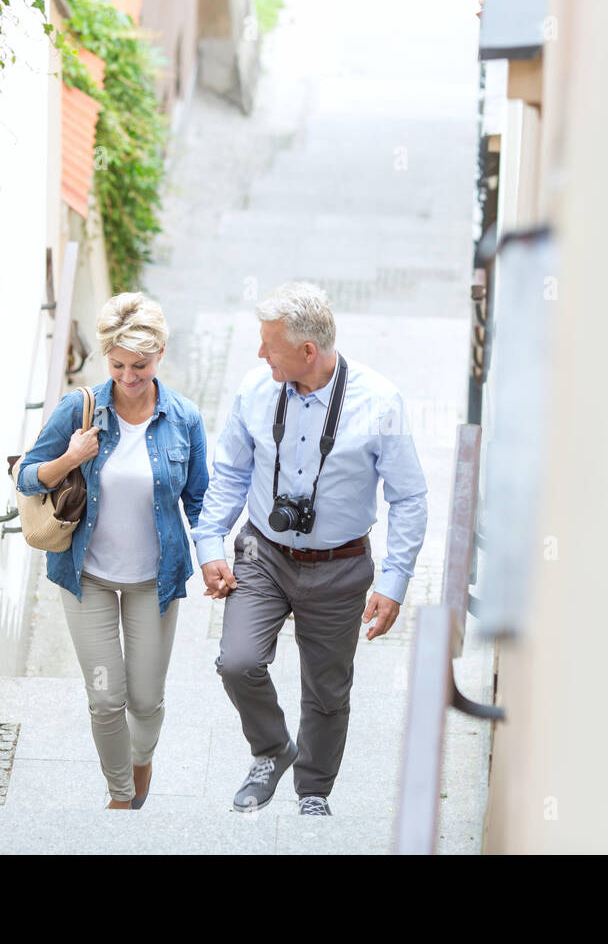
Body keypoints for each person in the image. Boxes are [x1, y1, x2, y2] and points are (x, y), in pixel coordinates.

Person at [191, 281, 427, 816]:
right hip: (262, 554)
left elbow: (409, 498)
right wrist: (210, 545)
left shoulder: (380, 402)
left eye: (268, 344)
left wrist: (393, 583)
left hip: (340, 567)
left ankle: (313, 793)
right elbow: (229, 471)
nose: (258, 353)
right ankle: (273, 750)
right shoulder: (256, 390)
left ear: (307, 351)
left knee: (326, 690)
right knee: (238, 662)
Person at [15, 292, 209, 809]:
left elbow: (201, 500)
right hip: (88, 578)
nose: (128, 376)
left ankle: (141, 759)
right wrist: (70, 458)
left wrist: (217, 560)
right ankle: (120, 796)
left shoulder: (184, 420)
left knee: (145, 700)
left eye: (140, 366)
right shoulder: (78, 409)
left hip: (155, 579)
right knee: (106, 698)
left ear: (161, 353)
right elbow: (26, 475)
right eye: (118, 364)